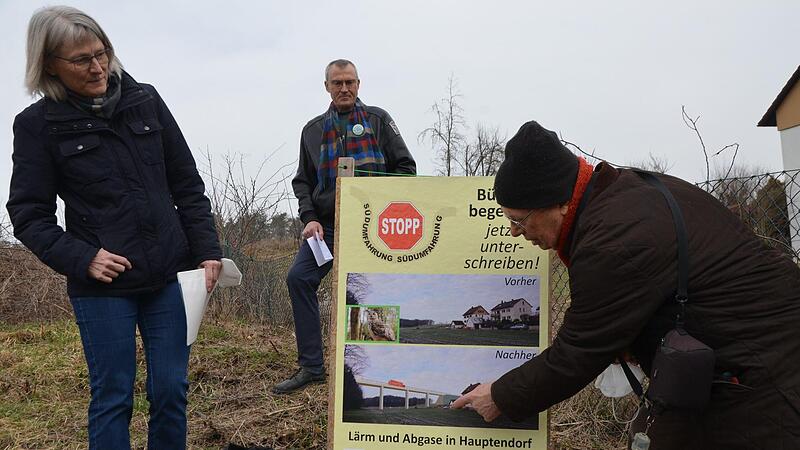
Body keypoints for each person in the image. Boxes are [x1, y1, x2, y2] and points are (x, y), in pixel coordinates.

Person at [452, 121, 800, 448]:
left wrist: (500, 396)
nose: (514, 232)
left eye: (519, 220)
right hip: (740, 359)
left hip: (768, 374)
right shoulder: (623, 195)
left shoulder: (612, 239)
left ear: (558, 202)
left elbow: (576, 353)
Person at [7, 6, 222, 449]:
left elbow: (186, 182)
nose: (98, 66)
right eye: (82, 59)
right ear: (50, 65)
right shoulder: (37, 127)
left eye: (102, 52)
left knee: (170, 390)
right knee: (113, 397)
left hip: (169, 274)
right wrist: (82, 258)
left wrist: (207, 250)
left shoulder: (145, 99)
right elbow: (28, 213)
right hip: (103, 288)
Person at [274, 59, 416, 394]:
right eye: (337, 83)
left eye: (350, 82)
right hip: (328, 231)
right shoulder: (311, 130)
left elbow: (407, 169)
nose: (344, 88)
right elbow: (303, 182)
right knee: (299, 278)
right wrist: (309, 219)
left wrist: (369, 190)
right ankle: (312, 367)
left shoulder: (379, 121)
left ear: (359, 84)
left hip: (372, 229)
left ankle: (375, 370)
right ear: (327, 87)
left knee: (371, 294)